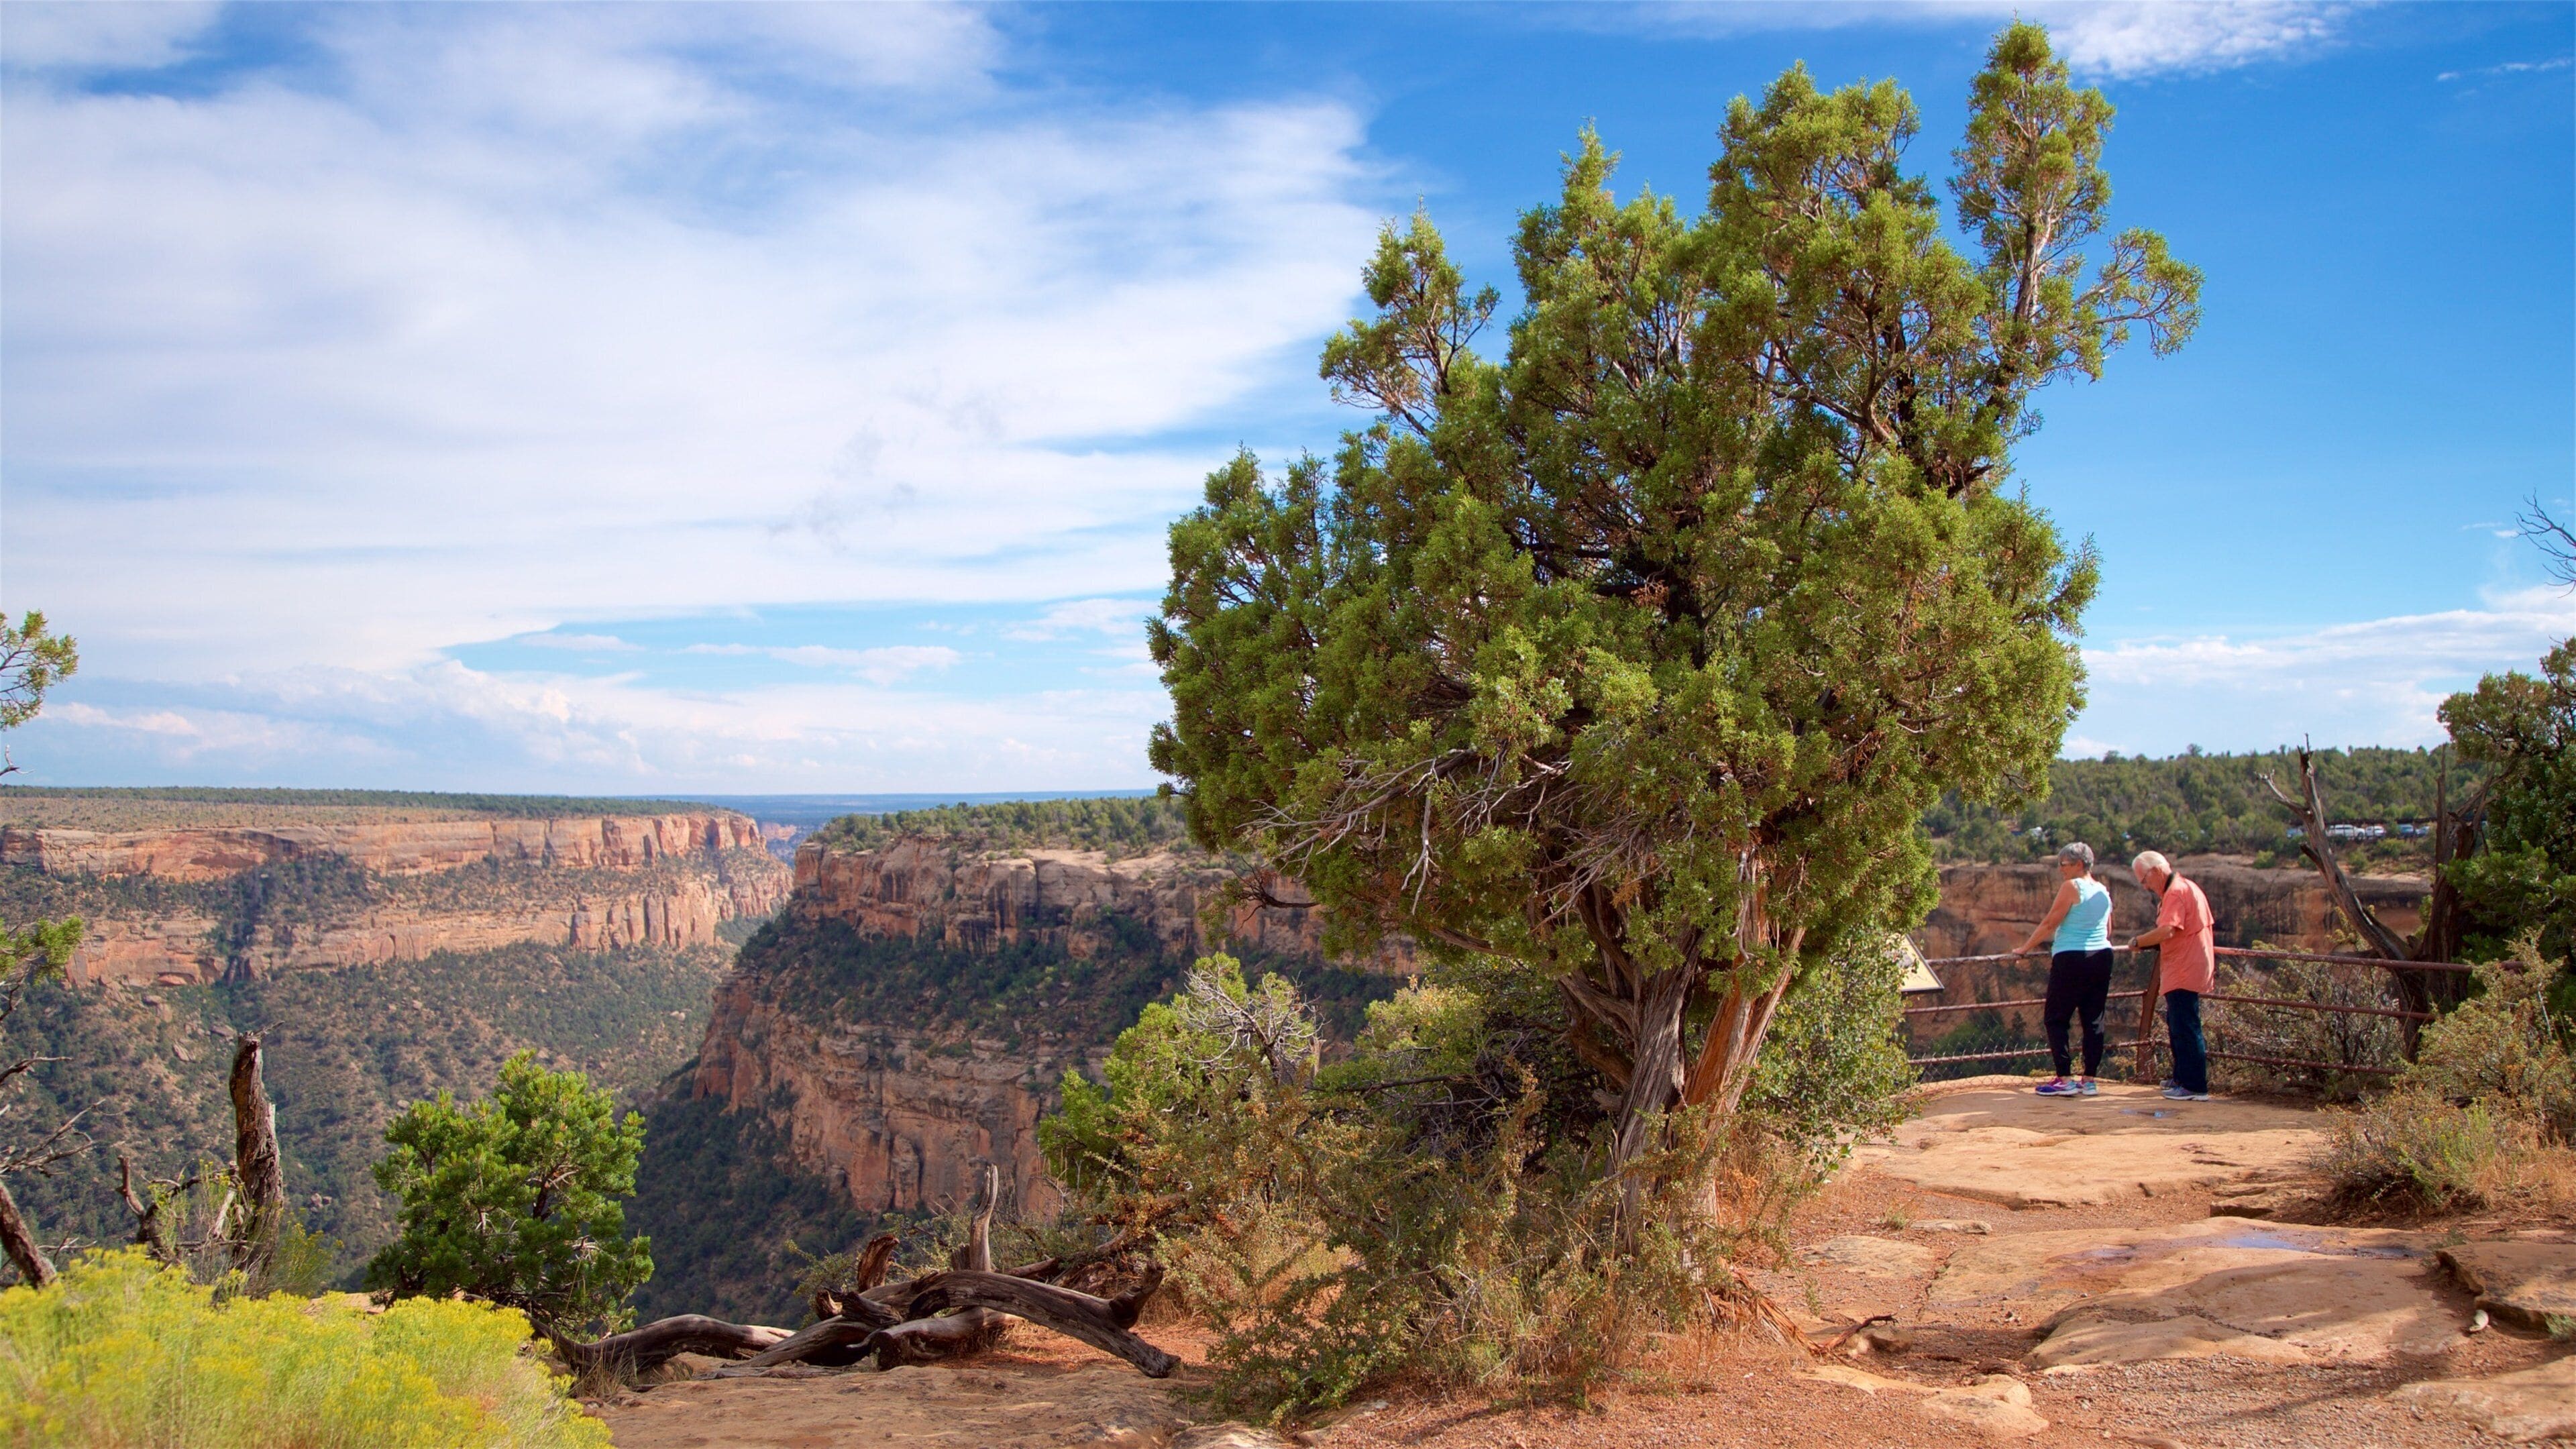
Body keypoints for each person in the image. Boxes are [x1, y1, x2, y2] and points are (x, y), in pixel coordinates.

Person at [2015, 842, 2114, 1097]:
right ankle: (2089, 1080)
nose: (2061, 870)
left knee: (2056, 1018)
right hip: (2101, 956)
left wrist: (2025, 948)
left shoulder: (2072, 887)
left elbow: (2050, 923)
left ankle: (2065, 1078)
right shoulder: (2103, 889)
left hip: (2072, 957)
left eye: (2064, 865)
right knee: (2093, 1019)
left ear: (2079, 864)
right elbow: (2108, 930)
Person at [2129, 850, 2215, 1101]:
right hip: (2188, 964)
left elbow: (2167, 930)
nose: (2145, 887)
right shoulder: (2186, 886)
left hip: (2183, 967)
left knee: (2186, 1027)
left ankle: (2194, 1086)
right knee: (2179, 1025)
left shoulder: (2175, 892)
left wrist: (2138, 942)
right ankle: (2181, 1078)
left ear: (2155, 871)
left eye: (2144, 881)